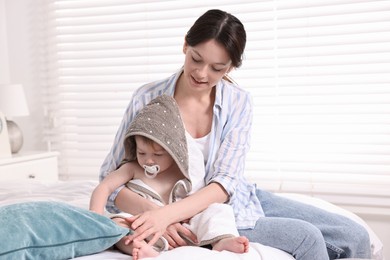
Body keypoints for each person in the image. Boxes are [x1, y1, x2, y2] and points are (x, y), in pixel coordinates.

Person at [99, 9, 371, 260]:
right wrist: (156, 214)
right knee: (307, 237)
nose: (202, 73)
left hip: (233, 197)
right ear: (185, 45)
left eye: (217, 68)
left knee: (355, 236)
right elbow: (109, 178)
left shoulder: (238, 101)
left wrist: (167, 215)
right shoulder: (146, 98)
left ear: (230, 67)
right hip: (209, 215)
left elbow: (226, 183)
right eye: (196, 58)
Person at [91, 95, 249, 259]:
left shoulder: (182, 171)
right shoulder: (132, 168)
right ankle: (141, 248)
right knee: (119, 224)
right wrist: (95, 218)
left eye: (158, 154)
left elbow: (200, 198)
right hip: (142, 221)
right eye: (141, 153)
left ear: (174, 152)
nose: (148, 160)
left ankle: (222, 240)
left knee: (219, 210)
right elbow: (104, 187)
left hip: (183, 225)